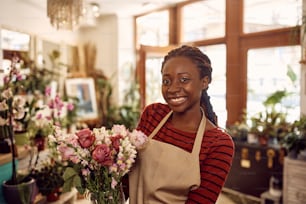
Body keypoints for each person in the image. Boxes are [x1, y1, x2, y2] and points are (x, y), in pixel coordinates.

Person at [128, 45, 235, 204]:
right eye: (166, 81)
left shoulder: (218, 144)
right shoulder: (153, 115)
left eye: (184, 79)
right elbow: (127, 177)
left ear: (204, 82)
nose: (172, 89)